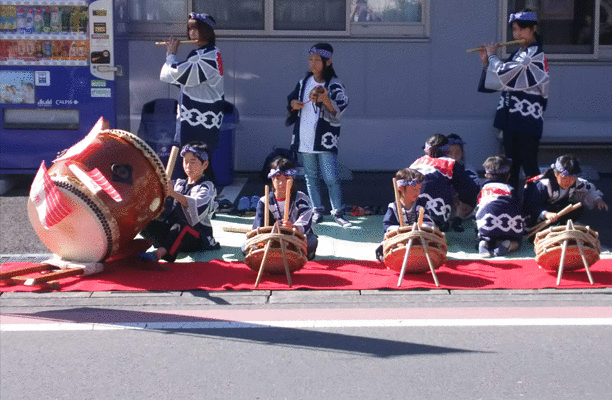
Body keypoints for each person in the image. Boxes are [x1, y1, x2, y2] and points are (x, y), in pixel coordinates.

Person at [477, 9, 550, 189]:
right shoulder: (518, 54)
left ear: (533, 29)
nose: (517, 34)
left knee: (529, 164)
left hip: (527, 118)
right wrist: (487, 63)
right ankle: (512, 205)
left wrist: (493, 56)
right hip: (512, 117)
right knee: (511, 165)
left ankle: (536, 204)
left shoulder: (536, 55)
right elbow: (500, 81)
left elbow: (507, 73)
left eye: (522, 29)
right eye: (515, 30)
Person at [286, 42, 351, 228]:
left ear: (328, 62)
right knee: (310, 176)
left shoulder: (334, 84)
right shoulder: (303, 83)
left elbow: (340, 109)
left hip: (324, 137)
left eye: (317, 60)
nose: (313, 63)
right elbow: (291, 100)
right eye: (310, 59)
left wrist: (325, 100)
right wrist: (293, 103)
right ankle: (316, 210)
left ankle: (338, 211)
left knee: (330, 176)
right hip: (305, 135)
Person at [139, 141, 220, 262]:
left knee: (182, 226)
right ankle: (135, 247)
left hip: (198, 238)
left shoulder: (207, 187)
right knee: (144, 219)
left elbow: (195, 207)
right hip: (173, 232)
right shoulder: (179, 183)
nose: (188, 166)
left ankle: (158, 254)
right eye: (185, 161)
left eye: (193, 162)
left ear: (205, 164)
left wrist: (172, 194)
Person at [160, 12, 224, 152]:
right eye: (190, 29)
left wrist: (171, 55)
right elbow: (184, 80)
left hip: (200, 119)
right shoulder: (202, 54)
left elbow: (175, 74)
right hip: (196, 116)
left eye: (197, 28)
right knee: (195, 161)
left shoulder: (209, 55)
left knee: (198, 160)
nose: (192, 32)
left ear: (206, 31)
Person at [250, 157, 318, 260]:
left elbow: (306, 221)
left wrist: (293, 227)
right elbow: (258, 227)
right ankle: (284, 253)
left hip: (295, 239)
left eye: (286, 179)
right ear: (272, 179)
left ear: (292, 179)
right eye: (277, 178)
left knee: (312, 241)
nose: (281, 183)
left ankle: (284, 253)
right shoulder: (264, 201)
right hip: (273, 241)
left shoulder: (301, 198)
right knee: (245, 247)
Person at [409, 134, 480, 231]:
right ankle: (434, 224)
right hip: (435, 209)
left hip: (408, 207)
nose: (454, 155)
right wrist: (467, 202)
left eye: (457, 152)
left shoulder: (417, 162)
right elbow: (470, 188)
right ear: (446, 151)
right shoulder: (449, 163)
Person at [522, 154, 609, 229]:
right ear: (556, 174)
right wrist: (545, 214)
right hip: (537, 213)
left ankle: (562, 226)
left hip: (555, 210)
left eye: (572, 178)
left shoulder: (576, 182)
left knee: (577, 208)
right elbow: (531, 204)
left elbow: (588, 188)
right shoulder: (544, 184)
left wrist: (598, 199)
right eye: (565, 178)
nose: (568, 182)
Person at [375, 168, 433, 262]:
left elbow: (428, 222)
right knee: (386, 245)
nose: (417, 192)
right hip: (399, 238)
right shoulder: (393, 207)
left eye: (419, 189)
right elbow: (387, 225)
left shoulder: (422, 204)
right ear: (401, 188)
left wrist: (420, 229)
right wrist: (400, 231)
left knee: (430, 242)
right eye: (414, 189)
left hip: (418, 237)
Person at [476, 155, 525, 257]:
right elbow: (518, 206)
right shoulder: (510, 188)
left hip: (487, 222)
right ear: (508, 176)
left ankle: (484, 242)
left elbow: (478, 205)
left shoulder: (484, 188)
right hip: (509, 223)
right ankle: (508, 244)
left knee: (483, 219)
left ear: (486, 175)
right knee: (517, 240)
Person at [446, 133, 480, 232]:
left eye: (457, 152)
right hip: (446, 207)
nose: (453, 156)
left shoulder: (468, 168)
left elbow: (475, 189)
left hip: (464, 209)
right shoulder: (438, 167)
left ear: (463, 153)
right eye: (449, 152)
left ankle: (457, 220)